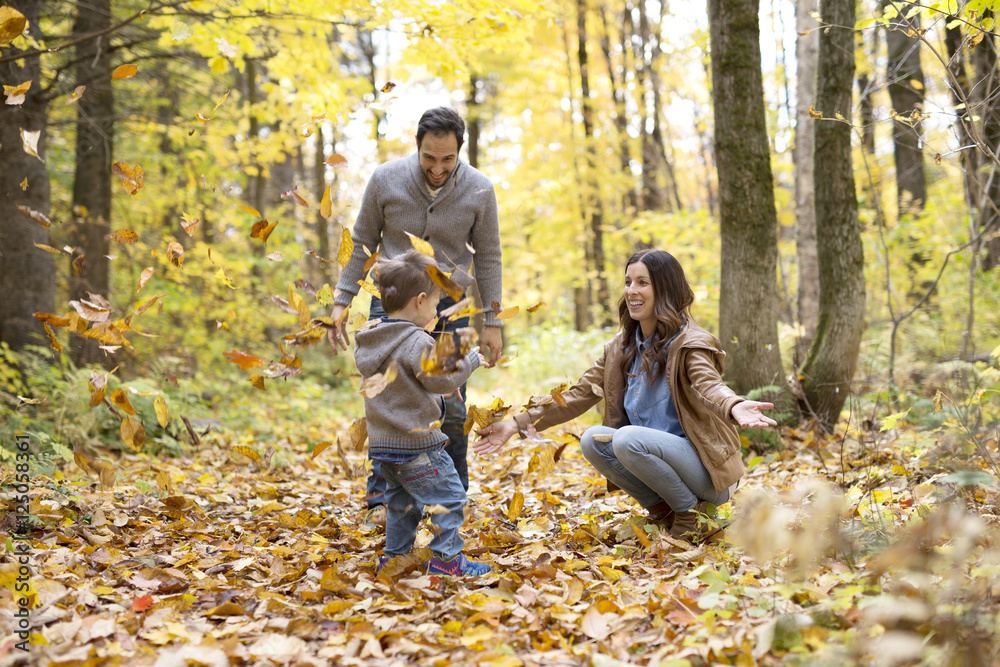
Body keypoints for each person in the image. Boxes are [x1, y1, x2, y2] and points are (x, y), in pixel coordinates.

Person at [473, 249, 777, 542]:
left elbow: (709, 384)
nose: (631, 290)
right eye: (628, 281)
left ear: (665, 290)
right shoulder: (620, 348)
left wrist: (734, 405)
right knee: (593, 439)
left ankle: (690, 515)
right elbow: (578, 395)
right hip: (658, 461)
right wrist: (514, 425)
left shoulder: (691, 342)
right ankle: (664, 513)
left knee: (626, 438)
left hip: (706, 471)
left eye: (643, 282)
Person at [327, 106, 504, 524]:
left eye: (447, 159)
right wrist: (342, 296)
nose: (438, 168)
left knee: (452, 404)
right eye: (429, 157)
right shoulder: (385, 179)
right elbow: (362, 239)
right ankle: (381, 501)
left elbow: (490, 258)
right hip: (389, 302)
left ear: (460, 150)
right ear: (417, 148)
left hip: (451, 307)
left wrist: (492, 321)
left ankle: (452, 498)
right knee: (388, 402)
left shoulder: (480, 189)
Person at [355, 250, 492, 577]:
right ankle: (448, 560)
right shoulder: (415, 339)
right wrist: (469, 360)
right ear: (418, 301)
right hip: (418, 445)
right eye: (434, 304)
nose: (435, 311)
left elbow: (412, 379)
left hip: (385, 447)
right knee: (451, 496)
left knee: (402, 504)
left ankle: (395, 558)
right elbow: (442, 377)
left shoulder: (373, 336)